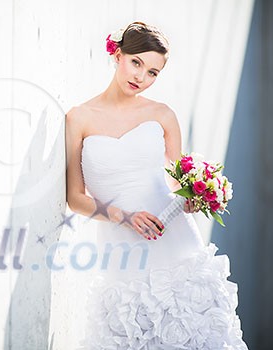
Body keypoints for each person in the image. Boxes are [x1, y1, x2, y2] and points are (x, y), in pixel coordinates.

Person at [63, 21, 249, 349]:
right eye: (136, 63)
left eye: (152, 72)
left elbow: (177, 180)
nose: (141, 77)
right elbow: (75, 198)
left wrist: (194, 197)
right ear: (117, 54)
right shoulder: (79, 118)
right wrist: (124, 216)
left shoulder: (163, 115)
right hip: (120, 246)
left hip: (173, 239)